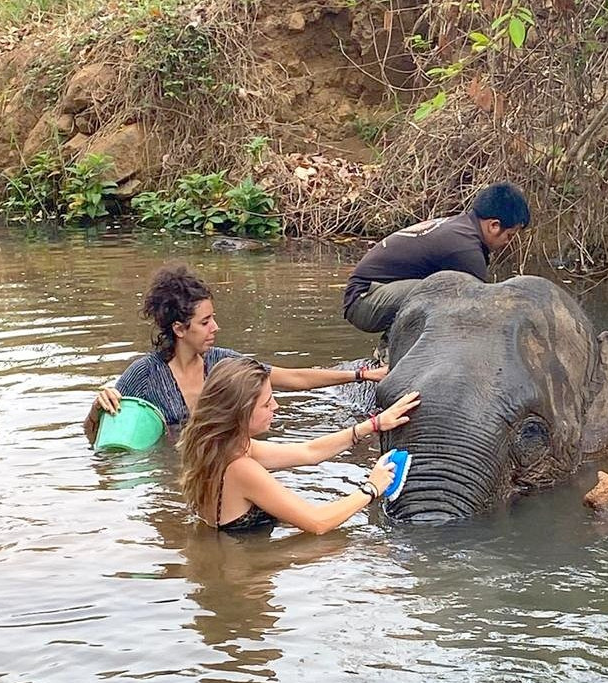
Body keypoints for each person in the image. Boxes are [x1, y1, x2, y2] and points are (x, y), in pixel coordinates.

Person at [84, 263, 387, 444]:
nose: (215, 327)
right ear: (179, 329)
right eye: (205, 322)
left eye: (213, 317)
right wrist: (96, 409)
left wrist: (359, 375)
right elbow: (100, 436)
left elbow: (291, 377)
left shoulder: (222, 363)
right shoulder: (145, 375)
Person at [178, 357, 421, 534]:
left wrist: (374, 424)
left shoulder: (219, 446)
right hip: (247, 578)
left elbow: (309, 452)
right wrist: (371, 488)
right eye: (266, 404)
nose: (276, 407)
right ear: (240, 412)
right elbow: (317, 523)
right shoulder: (240, 468)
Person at [342, 181, 531, 336]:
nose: (508, 242)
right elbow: (479, 309)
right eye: (510, 235)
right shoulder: (465, 248)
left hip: (378, 293)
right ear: (494, 226)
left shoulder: (461, 228)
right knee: (445, 294)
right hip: (364, 300)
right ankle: (388, 355)